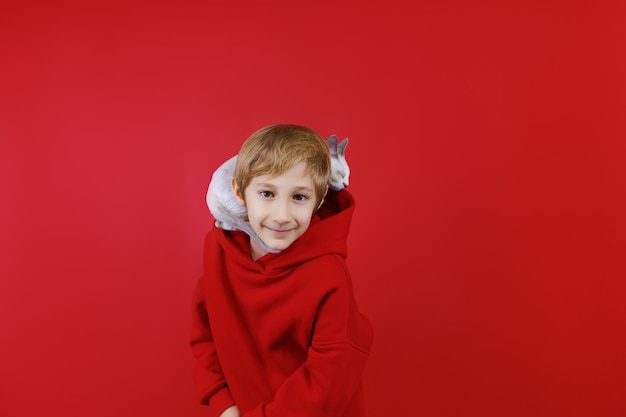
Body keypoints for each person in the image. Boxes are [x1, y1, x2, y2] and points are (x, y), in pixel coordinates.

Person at [190, 124, 373, 417]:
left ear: (320, 197)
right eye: (267, 193)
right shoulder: (218, 252)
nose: (281, 215)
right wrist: (224, 404)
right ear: (239, 190)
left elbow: (330, 375)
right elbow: (204, 335)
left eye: (299, 197)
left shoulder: (328, 274)